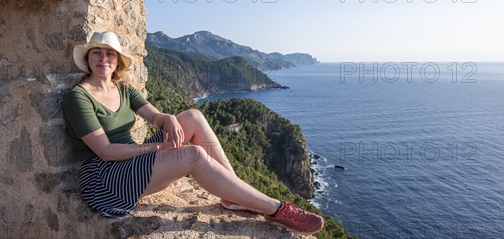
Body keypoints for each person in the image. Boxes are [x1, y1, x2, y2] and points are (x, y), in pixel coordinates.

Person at [63, 31, 324, 234]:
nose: (103, 59)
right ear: (88, 58)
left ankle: (232, 197)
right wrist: (156, 148)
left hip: (132, 162)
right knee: (193, 155)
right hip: (105, 178)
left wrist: (169, 120)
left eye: (109, 53)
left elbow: (155, 116)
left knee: (193, 116)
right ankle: (275, 208)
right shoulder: (79, 97)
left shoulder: (123, 90)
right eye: (96, 53)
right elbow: (106, 151)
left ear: (117, 60)